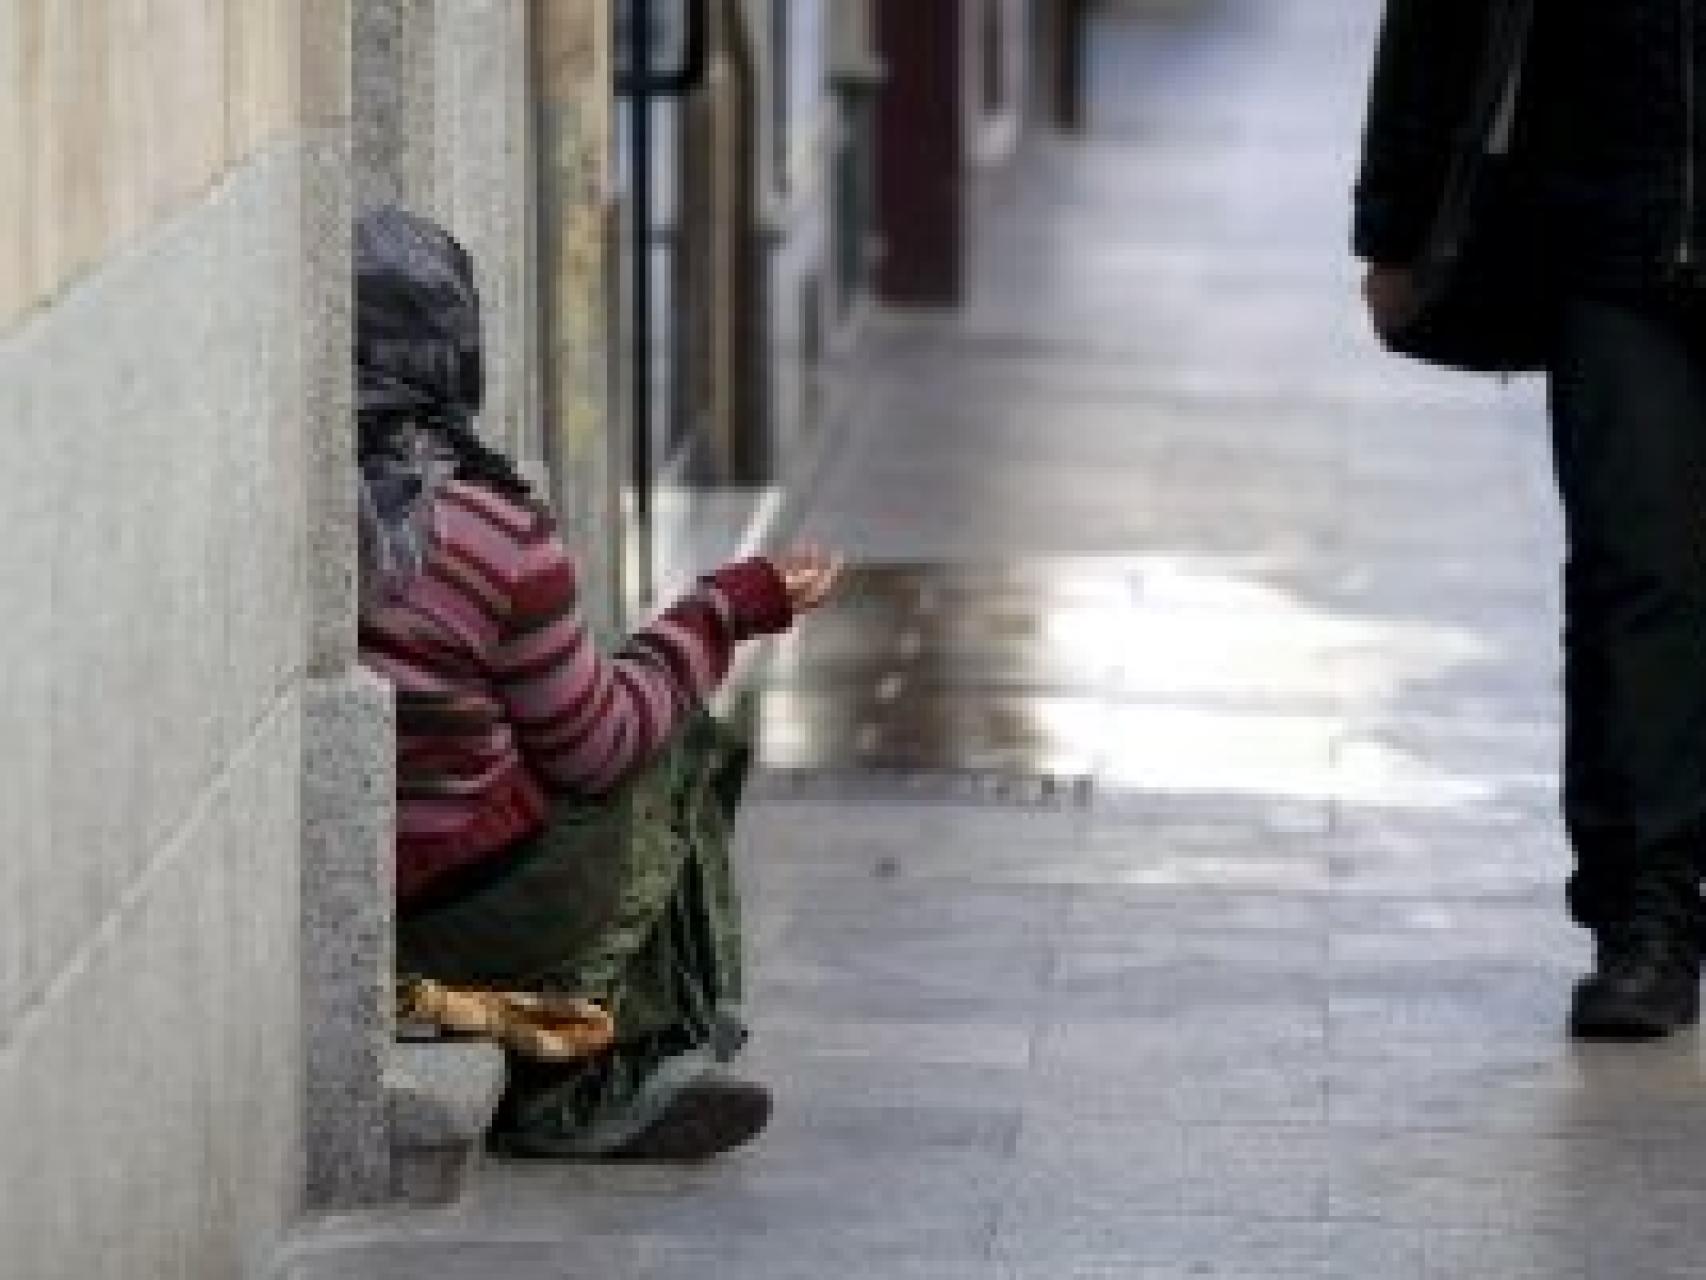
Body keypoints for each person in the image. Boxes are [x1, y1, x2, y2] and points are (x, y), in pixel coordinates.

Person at [354, 207, 842, 1155]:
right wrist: (727, 608)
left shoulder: (293, 499)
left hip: (353, 902)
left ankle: (588, 1049)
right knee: (673, 743)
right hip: (466, 909)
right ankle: (622, 1065)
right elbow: (600, 744)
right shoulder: (488, 532)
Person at [1356, 3, 1706, 1038]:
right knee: (1632, 567)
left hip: (1610, 227)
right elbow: (1436, 19)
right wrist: (1394, 215)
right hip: (1608, 236)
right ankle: (1643, 917)